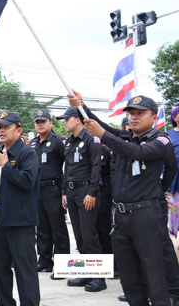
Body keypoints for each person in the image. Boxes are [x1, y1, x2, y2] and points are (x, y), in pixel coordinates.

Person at [68, 92, 178, 306]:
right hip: (121, 217)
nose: (134, 117)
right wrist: (82, 107)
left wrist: (159, 189)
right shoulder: (126, 138)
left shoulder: (161, 140)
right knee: (129, 276)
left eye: (140, 113)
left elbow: (138, 153)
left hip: (146, 215)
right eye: (131, 113)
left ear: (154, 117)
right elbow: (103, 127)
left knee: (154, 276)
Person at [0, 110, 40, 306]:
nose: (1, 131)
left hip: (20, 223)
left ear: (19, 131)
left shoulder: (27, 153)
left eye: (6, 127)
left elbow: (28, 181)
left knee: (25, 271)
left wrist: (6, 166)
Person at [56, 107, 106, 292]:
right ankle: (86, 272)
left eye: (67, 119)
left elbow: (96, 167)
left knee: (89, 236)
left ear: (78, 119)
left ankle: (99, 278)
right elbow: (66, 169)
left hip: (86, 191)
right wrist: (63, 192)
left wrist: (92, 192)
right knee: (79, 236)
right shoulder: (69, 143)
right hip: (71, 192)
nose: (64, 122)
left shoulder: (91, 139)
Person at [29, 109, 70, 277]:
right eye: (37, 122)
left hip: (54, 189)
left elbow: (68, 167)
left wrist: (64, 191)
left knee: (57, 228)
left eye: (43, 121)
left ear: (50, 123)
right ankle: (45, 260)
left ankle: (62, 265)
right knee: (42, 227)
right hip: (37, 190)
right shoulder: (32, 143)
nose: (40, 124)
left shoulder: (58, 142)